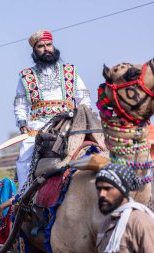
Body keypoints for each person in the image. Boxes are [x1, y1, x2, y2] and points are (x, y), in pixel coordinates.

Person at [14, 29, 91, 192]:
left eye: (49, 44)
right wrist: (22, 124)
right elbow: (20, 103)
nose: (46, 48)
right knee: (24, 156)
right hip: (38, 126)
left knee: (96, 146)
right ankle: (23, 197)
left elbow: (83, 97)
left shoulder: (70, 71)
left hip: (69, 122)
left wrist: (85, 116)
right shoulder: (26, 76)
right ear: (34, 50)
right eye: (41, 46)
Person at [95, 163, 154, 252]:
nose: (101, 194)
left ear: (123, 190)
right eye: (99, 188)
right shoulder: (107, 221)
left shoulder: (140, 222)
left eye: (107, 188)